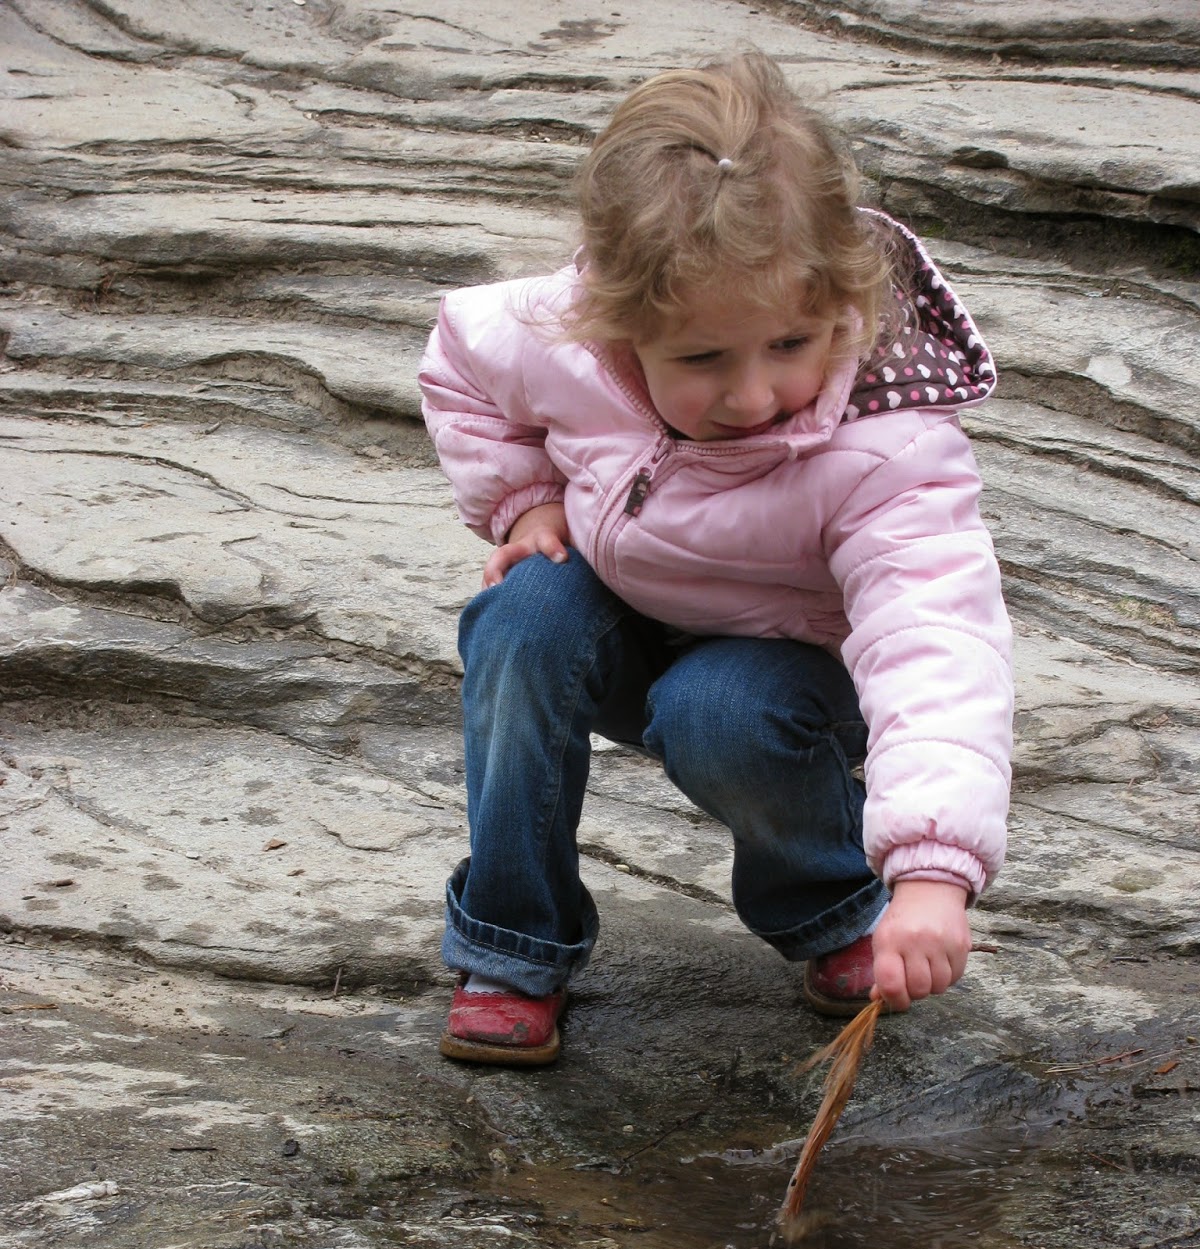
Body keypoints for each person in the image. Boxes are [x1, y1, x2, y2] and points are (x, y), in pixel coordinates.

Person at [419, 51, 1013, 1066]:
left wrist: (931, 873)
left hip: (786, 680)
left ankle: (833, 900)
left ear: (841, 298)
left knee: (717, 707)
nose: (751, 395)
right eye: (700, 360)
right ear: (619, 325)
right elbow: (462, 363)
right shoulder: (566, 333)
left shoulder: (890, 449)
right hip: (630, 616)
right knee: (521, 618)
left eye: (791, 345)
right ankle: (513, 943)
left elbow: (935, 639)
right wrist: (526, 500)